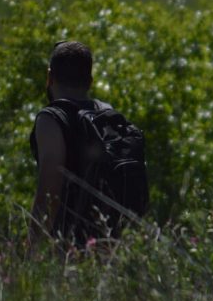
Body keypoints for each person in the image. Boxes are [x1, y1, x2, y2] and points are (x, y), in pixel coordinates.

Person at [29, 40, 148, 250]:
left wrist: (33, 248)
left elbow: (50, 190)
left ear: (49, 77)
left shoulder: (51, 118)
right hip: (114, 244)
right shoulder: (106, 113)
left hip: (70, 247)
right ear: (90, 81)